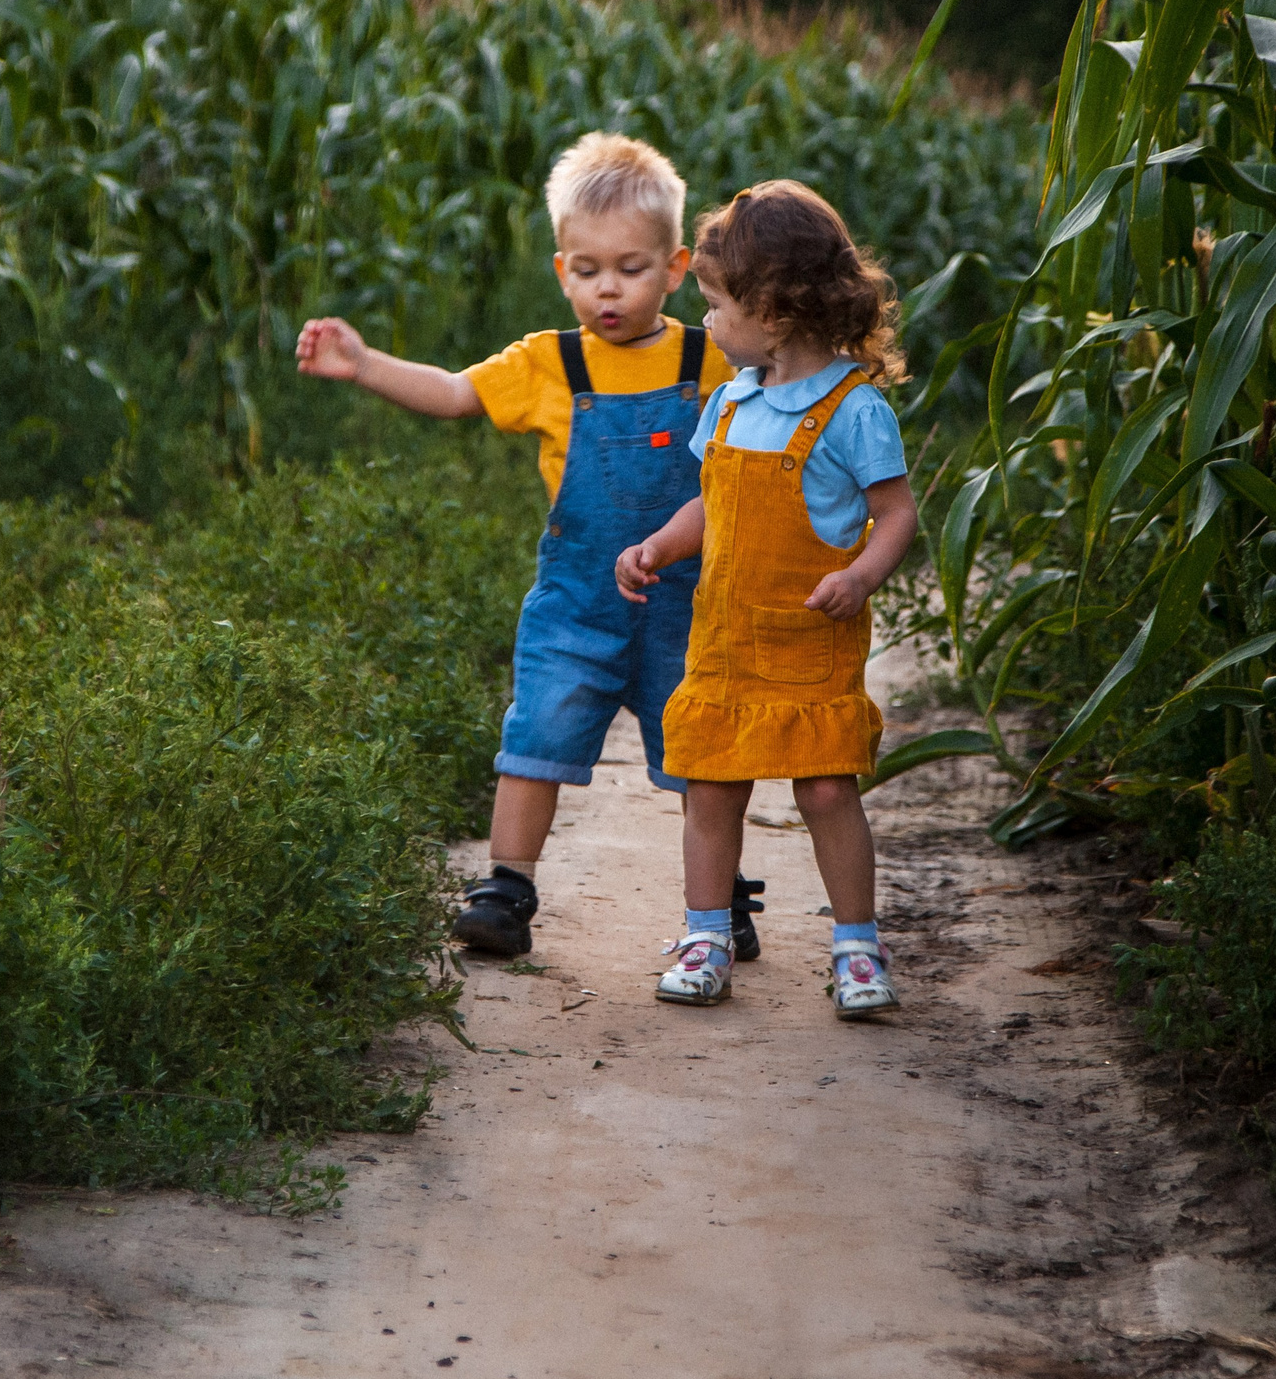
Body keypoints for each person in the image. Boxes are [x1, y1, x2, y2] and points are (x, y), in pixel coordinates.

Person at [296, 132, 762, 959]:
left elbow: (771, 420)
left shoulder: (711, 358)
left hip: (688, 604)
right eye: (586, 271)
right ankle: (504, 889)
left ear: (678, 264)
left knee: (704, 754)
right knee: (535, 735)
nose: (607, 290)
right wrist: (363, 362)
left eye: (630, 268)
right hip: (577, 602)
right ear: (561, 271)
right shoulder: (551, 362)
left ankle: (721, 899)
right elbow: (451, 392)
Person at [613, 181, 916, 1019]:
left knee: (825, 789)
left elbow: (896, 514)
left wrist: (860, 575)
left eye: (715, 304)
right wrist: (657, 546)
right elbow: (712, 505)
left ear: (775, 312)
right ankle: (706, 933)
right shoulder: (732, 401)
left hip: (812, 639)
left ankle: (857, 946)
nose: (704, 320)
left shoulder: (854, 411)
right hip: (726, 638)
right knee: (710, 784)